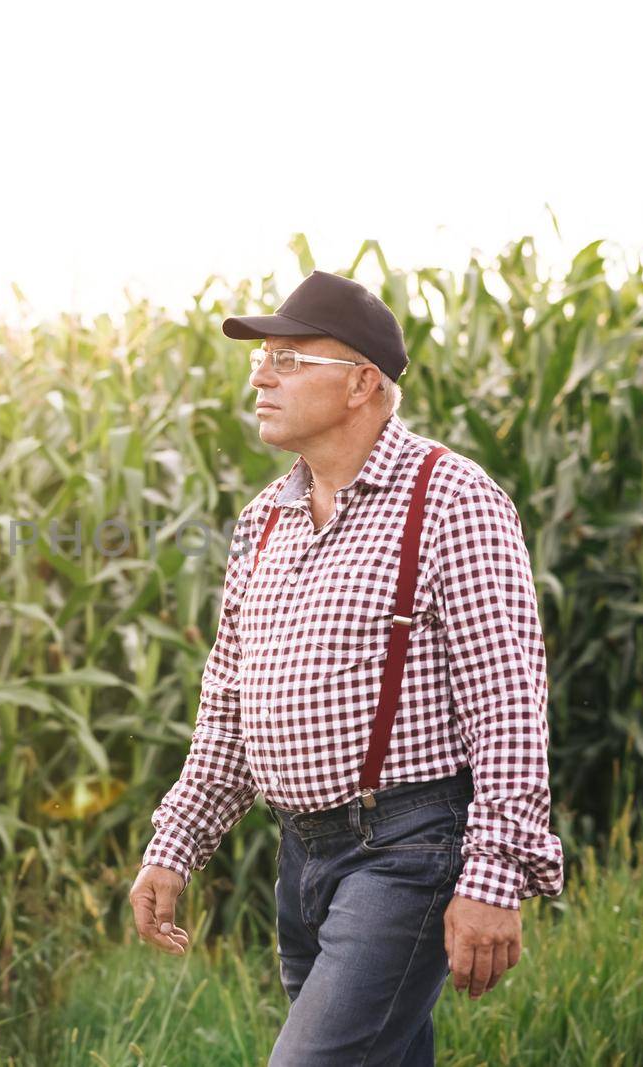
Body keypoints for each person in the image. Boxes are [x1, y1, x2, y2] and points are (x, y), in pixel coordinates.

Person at [129, 270, 564, 1066]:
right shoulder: (266, 521)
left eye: (291, 358)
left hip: (409, 851)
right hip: (301, 857)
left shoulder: (452, 498)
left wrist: (494, 878)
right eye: (262, 358)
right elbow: (228, 707)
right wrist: (174, 847)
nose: (261, 375)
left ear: (362, 381)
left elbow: (508, 704)